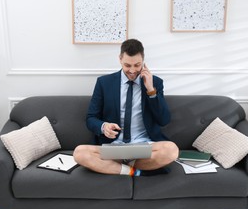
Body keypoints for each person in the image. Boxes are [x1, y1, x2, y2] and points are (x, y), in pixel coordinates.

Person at [73, 39, 179, 175]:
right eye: (127, 65)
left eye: (137, 65)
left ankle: (114, 167)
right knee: (79, 153)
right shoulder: (104, 83)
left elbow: (164, 120)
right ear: (120, 59)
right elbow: (91, 118)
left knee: (171, 150)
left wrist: (151, 90)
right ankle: (134, 172)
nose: (132, 70)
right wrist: (104, 126)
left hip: (144, 145)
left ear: (143, 61)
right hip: (114, 146)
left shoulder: (155, 83)